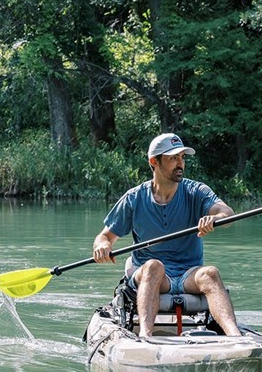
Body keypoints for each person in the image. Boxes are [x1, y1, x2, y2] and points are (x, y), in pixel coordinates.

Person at [91, 132, 241, 337]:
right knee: (154, 266)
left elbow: (227, 214)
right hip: (153, 276)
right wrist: (102, 246)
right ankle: (145, 337)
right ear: (154, 162)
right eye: (173, 158)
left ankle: (236, 338)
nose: (180, 164)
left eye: (182, 157)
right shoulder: (134, 198)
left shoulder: (196, 191)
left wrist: (215, 218)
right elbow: (105, 237)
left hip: (189, 274)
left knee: (211, 273)